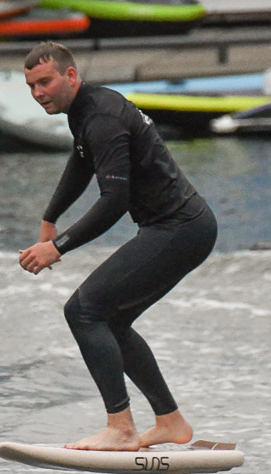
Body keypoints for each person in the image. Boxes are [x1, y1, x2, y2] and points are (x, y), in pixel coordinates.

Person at [18, 43, 218, 452]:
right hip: (181, 228)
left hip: (179, 229)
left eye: (45, 81)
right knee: (111, 320)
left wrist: (58, 247)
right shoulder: (87, 110)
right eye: (31, 86)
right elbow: (80, 162)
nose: (39, 92)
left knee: (83, 310)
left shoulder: (103, 118)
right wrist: (50, 215)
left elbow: (115, 200)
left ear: (70, 76)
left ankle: (120, 427)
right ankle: (170, 421)